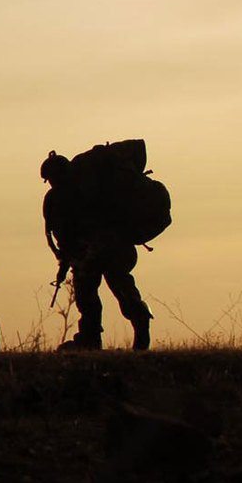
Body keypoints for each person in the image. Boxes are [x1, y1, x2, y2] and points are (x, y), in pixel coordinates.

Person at [42, 141, 169, 351]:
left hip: (101, 248)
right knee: (114, 286)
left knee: (90, 290)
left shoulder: (70, 194)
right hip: (115, 245)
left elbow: (67, 236)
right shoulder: (83, 187)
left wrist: (69, 260)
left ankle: (93, 337)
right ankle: (133, 322)